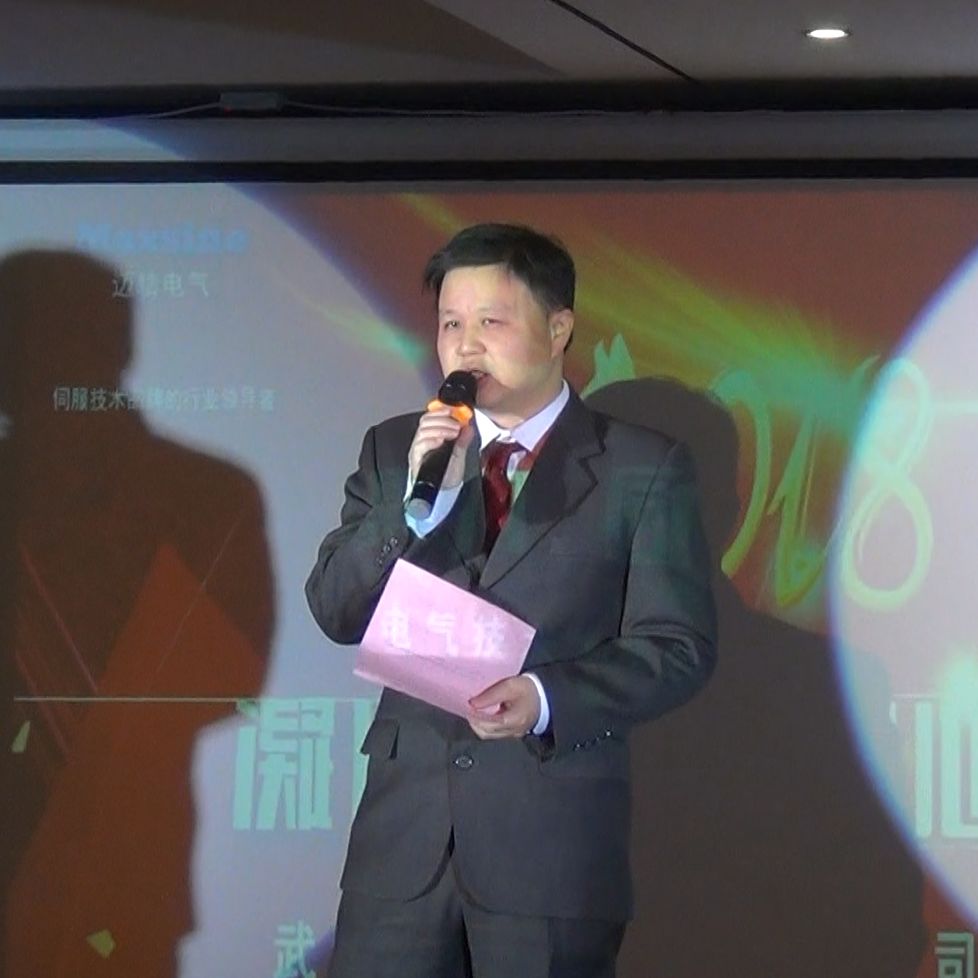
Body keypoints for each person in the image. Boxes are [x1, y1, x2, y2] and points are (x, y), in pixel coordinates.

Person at [305, 223, 717, 978]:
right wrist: (411, 512)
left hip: (549, 849)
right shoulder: (397, 451)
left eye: (491, 322)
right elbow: (335, 608)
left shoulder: (640, 469)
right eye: (449, 325)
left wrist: (545, 697)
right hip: (403, 854)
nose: (465, 348)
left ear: (559, 328)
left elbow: (677, 645)